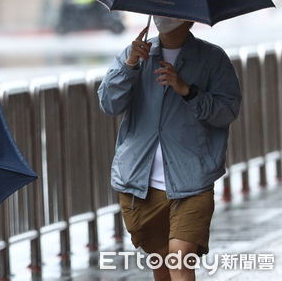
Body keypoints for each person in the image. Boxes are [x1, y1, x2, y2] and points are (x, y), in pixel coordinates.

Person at [98, 16, 242, 281]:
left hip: (192, 182)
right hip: (139, 184)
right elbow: (109, 104)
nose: (164, 17)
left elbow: (228, 110)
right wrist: (129, 67)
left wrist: (187, 91)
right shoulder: (135, 55)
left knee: (179, 261)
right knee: (163, 266)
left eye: (173, 12)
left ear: (190, 19)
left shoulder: (212, 58)